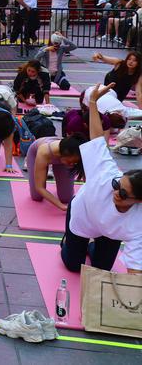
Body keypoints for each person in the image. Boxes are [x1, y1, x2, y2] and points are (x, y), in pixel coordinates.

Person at [61, 84, 142, 273]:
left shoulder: (139, 221)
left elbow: (135, 269)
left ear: (138, 201)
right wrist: (92, 102)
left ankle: (92, 248)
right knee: (73, 266)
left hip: (110, 232)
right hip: (84, 216)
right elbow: (97, 137)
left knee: (102, 268)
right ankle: (69, 243)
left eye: (123, 193)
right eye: (117, 184)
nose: (115, 192)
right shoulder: (105, 174)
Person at [26, 135, 85, 212]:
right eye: (70, 162)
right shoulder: (44, 152)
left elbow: (87, 180)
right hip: (37, 152)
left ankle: (62, 187)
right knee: (37, 196)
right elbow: (39, 187)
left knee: (66, 198)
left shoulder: (72, 155)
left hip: (61, 153)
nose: (72, 165)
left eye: (75, 163)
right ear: (64, 154)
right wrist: (62, 206)